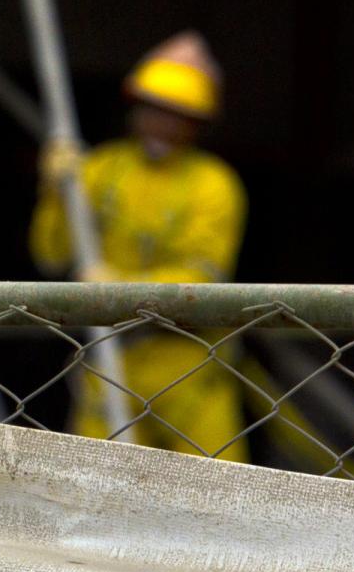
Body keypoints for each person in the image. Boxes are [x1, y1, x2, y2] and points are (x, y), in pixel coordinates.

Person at [29, 33, 248, 458]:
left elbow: (202, 277)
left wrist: (120, 286)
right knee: (96, 485)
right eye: (155, 109)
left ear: (197, 122)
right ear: (137, 106)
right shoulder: (103, 168)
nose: (163, 123)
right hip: (109, 360)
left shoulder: (214, 185)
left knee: (214, 490)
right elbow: (51, 253)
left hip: (186, 364)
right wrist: (56, 191)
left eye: (178, 114)